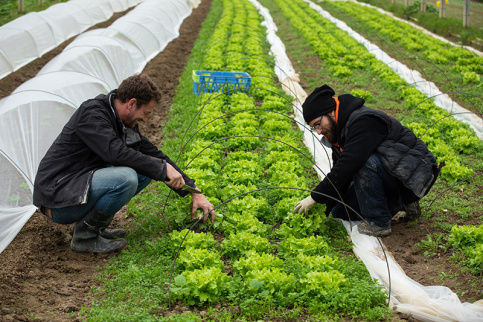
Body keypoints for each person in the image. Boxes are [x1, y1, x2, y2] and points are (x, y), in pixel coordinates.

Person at [33, 74, 215, 253]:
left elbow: (151, 153)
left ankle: (92, 228)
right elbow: (115, 153)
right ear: (132, 103)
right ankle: (84, 238)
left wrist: (193, 191)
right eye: (145, 113)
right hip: (58, 196)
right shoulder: (93, 114)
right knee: (126, 178)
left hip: (78, 188)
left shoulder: (122, 121)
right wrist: (161, 168)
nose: (145, 119)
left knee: (144, 171)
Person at [293, 84, 440, 237]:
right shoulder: (339, 129)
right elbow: (341, 176)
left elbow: (348, 165)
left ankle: (379, 221)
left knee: (363, 162)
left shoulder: (363, 121)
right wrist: (324, 207)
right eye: (314, 128)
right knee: (341, 212)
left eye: (318, 124)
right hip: (390, 169)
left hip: (413, 172)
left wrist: (314, 196)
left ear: (330, 112)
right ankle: (403, 201)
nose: (318, 131)